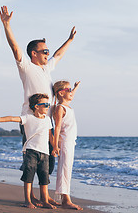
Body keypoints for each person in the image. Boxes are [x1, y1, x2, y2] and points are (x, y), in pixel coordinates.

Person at [0, 6, 76, 205]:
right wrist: (7, 25)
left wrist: (69, 40)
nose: (48, 54)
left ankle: (45, 194)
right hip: (31, 120)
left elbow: (58, 55)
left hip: (47, 121)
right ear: (34, 53)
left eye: (47, 51)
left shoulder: (46, 68)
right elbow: (15, 48)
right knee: (32, 160)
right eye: (44, 51)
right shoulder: (26, 67)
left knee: (47, 159)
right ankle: (31, 195)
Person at [0, 94, 56, 209]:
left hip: (45, 153)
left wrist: (55, 147)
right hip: (31, 151)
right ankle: (28, 200)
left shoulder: (47, 120)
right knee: (28, 176)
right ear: (37, 106)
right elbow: (12, 118)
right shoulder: (28, 118)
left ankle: (45, 200)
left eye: (48, 104)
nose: (48, 107)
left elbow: (50, 136)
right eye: (45, 104)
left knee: (44, 177)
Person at [52, 80, 83, 210]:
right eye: (68, 90)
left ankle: (65, 198)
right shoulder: (60, 108)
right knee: (64, 170)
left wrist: (75, 88)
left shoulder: (67, 105)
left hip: (70, 142)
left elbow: (70, 96)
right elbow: (57, 127)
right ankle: (66, 199)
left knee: (67, 170)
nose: (71, 93)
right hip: (64, 143)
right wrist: (55, 146)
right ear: (61, 93)